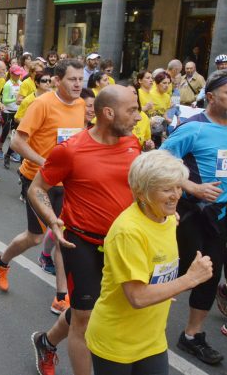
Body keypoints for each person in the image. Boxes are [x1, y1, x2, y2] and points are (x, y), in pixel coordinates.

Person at [28, 85, 141, 375]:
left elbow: (138, 188)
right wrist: (53, 220)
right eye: (132, 110)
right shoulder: (71, 150)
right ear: (108, 113)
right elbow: (37, 189)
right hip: (83, 243)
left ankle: (46, 341)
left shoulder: (133, 143)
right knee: (85, 317)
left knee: (103, 309)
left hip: (124, 244)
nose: (139, 117)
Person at [85, 150, 213, 375]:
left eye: (178, 187)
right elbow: (138, 297)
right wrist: (190, 279)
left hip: (153, 340)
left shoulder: (167, 218)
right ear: (142, 192)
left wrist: (165, 287)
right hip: (117, 343)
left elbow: (154, 272)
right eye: (167, 189)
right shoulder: (128, 232)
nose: (176, 195)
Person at [0, 59, 86, 315]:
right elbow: (17, 142)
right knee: (35, 237)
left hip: (67, 183)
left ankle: (61, 296)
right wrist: (47, 163)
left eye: (80, 79)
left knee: (64, 235)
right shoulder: (42, 104)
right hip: (37, 181)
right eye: (72, 79)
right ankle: (0, 263)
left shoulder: (80, 105)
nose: (78, 84)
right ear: (57, 80)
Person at [160, 69, 227, 365]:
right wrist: (193, 187)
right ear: (211, 97)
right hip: (190, 213)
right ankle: (145, 326)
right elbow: (159, 161)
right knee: (173, 272)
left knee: (209, 274)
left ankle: (192, 335)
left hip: (220, 214)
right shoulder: (194, 127)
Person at [0, 64, 26, 169]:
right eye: (16, 74)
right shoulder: (7, 84)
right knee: (5, 132)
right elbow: (4, 100)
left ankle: (10, 153)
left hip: (17, 112)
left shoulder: (21, 83)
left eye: (19, 74)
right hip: (7, 111)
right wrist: (16, 99)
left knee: (16, 134)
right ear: (11, 74)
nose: (18, 76)